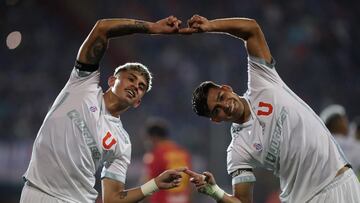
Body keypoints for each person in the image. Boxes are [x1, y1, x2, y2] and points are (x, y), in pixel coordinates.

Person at [180, 15, 360, 202]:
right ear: (216, 119)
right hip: (305, 199)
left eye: (221, 97)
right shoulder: (239, 149)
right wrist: (214, 191)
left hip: (342, 182)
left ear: (227, 88)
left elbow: (251, 29)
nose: (225, 105)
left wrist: (210, 26)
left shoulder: (262, 81)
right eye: (217, 110)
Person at [20, 16, 187, 203]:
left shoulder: (122, 143)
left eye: (141, 87)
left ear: (138, 102)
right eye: (131, 78)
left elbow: (113, 199)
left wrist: (154, 184)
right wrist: (152, 27)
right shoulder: (83, 85)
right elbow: (102, 28)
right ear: (111, 80)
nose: (135, 86)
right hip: (38, 194)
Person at [142, 117, 192, 203]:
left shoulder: (155, 155)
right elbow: (190, 184)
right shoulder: (183, 153)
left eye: (147, 139)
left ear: (154, 137)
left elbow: (147, 183)